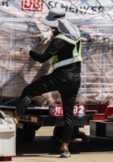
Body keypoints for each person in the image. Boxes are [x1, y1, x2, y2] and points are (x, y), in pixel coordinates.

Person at [16, 11, 84, 158]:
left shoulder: (59, 40)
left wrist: (29, 52)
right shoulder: (75, 37)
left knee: (29, 91)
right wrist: (51, 36)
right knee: (68, 115)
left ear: (57, 26)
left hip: (61, 77)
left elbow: (42, 58)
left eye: (52, 28)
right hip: (75, 79)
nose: (51, 29)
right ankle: (65, 147)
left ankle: (16, 118)